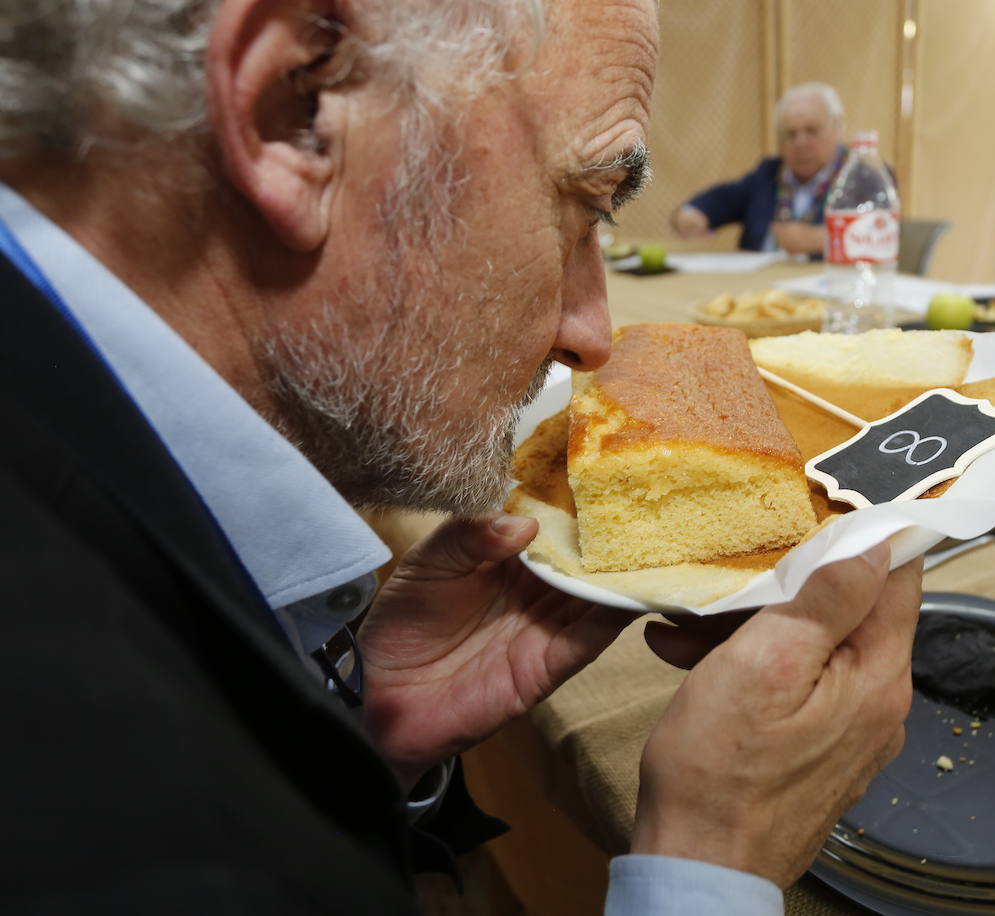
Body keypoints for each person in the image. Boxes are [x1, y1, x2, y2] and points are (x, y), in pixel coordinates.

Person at [0, 1, 923, 914]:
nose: (592, 335)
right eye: (586, 202)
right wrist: (713, 867)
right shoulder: (87, 804)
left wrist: (361, 737)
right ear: (299, 108)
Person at [670, 82, 848, 257]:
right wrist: (690, 214)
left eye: (812, 131)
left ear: (837, 127)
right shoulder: (768, 174)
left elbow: (872, 234)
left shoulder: (860, 177)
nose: (800, 143)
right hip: (757, 283)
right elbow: (723, 199)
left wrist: (824, 238)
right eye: (790, 134)